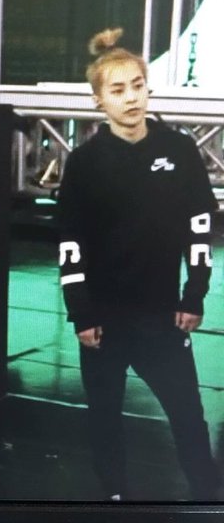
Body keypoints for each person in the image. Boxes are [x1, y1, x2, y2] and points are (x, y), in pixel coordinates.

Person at [56, 27, 221, 501]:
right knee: (104, 415)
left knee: (188, 414)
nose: (130, 97)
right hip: (103, 320)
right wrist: (81, 312)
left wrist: (194, 295)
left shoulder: (179, 150)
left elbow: (199, 227)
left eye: (137, 86)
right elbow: (70, 241)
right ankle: (114, 496)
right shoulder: (85, 162)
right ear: (98, 100)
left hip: (163, 316)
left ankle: (208, 496)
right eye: (117, 90)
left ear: (148, 88)